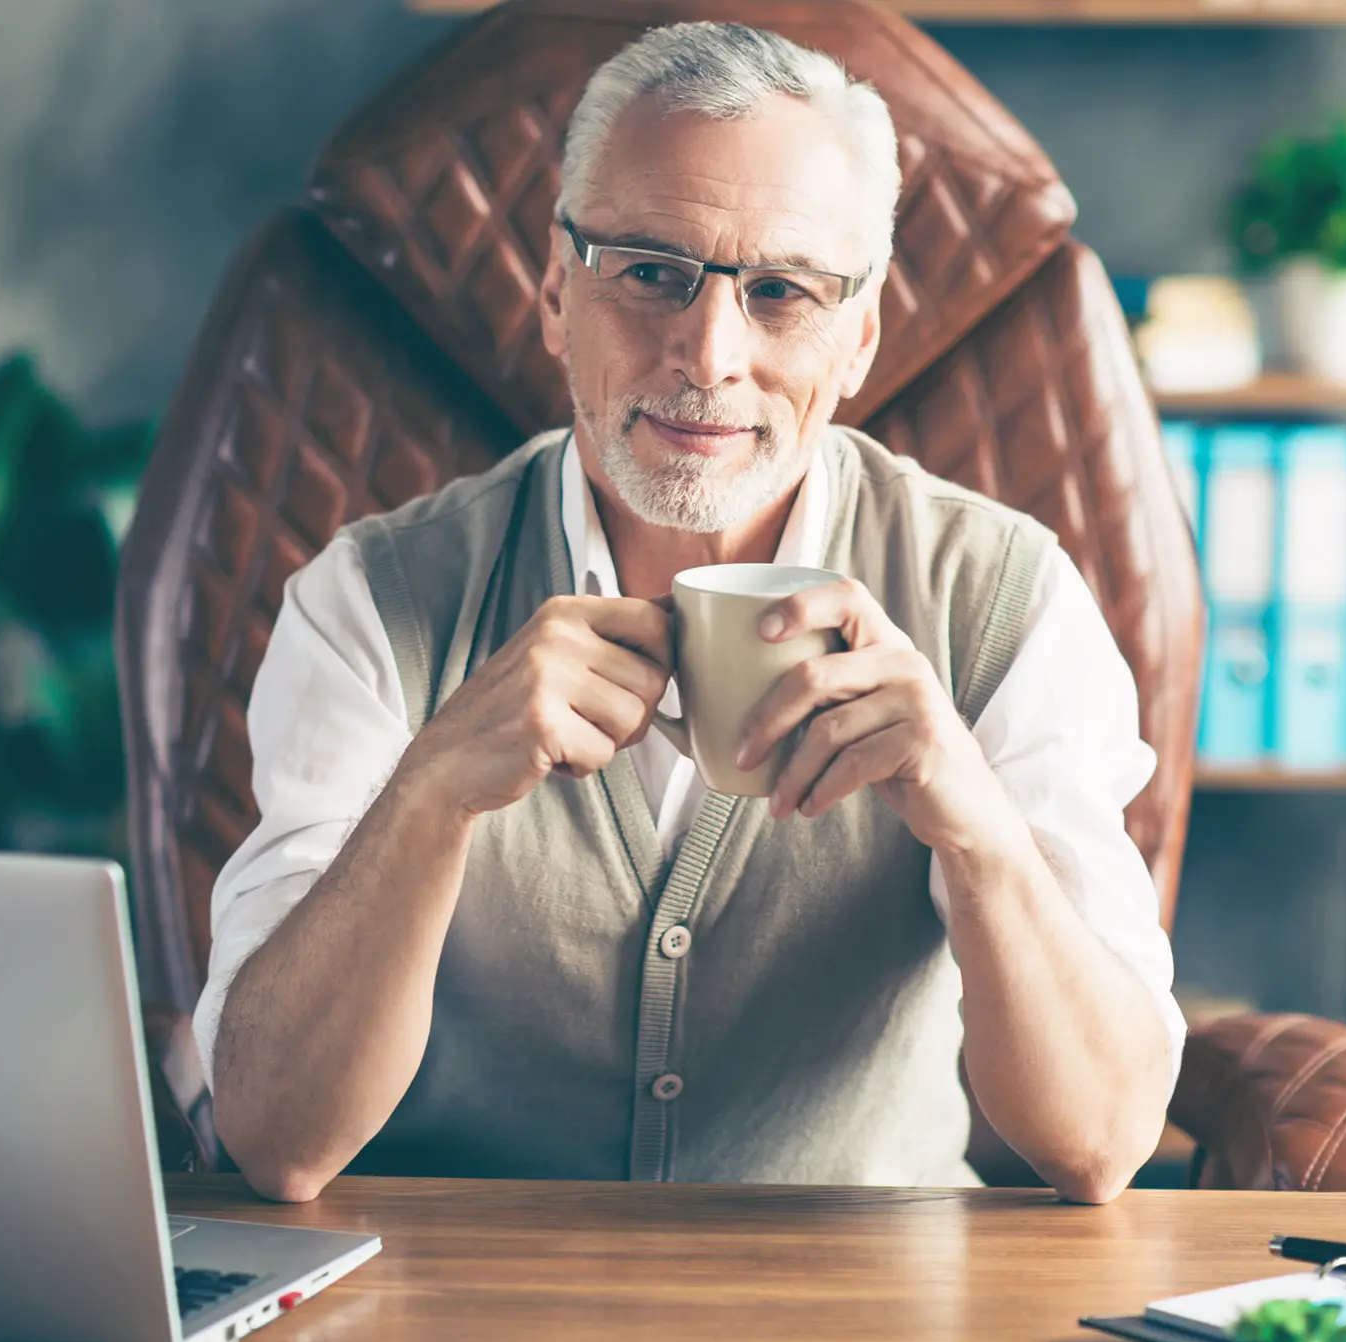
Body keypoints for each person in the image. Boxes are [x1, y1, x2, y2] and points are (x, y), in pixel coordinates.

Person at [193, 21, 1183, 1205]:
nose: (708, 354)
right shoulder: (368, 600)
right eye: (651, 271)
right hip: (457, 1307)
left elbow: (1100, 1142)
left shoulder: (1007, 599)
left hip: (864, 1309)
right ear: (558, 292)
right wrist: (429, 793)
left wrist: (974, 828)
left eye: (782, 292)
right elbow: (273, 1136)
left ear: (858, 334)